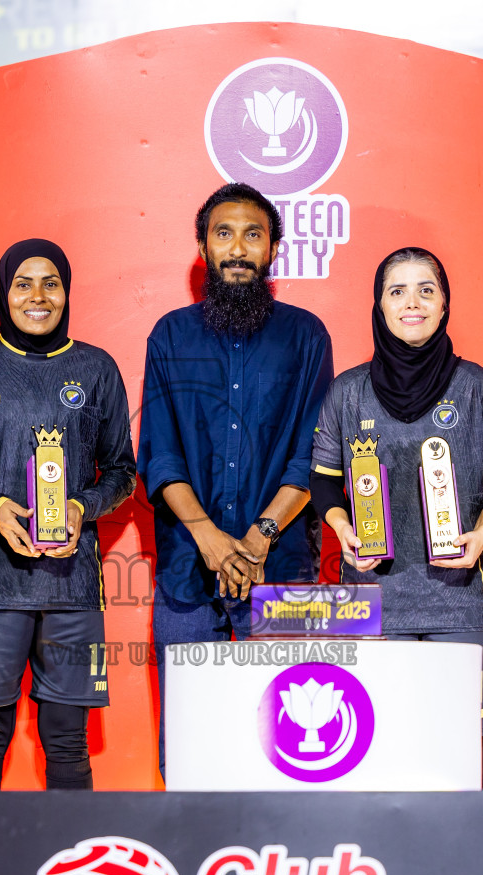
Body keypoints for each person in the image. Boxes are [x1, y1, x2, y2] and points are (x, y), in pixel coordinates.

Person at [137, 182, 333, 776]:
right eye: (224, 234)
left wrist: (258, 537)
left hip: (282, 568)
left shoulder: (306, 336)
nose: (239, 249)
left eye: (253, 235)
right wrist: (211, 539)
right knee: (188, 746)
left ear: (273, 249)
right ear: (203, 248)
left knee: (290, 746)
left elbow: (313, 453)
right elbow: (161, 454)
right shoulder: (170, 336)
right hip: (186, 570)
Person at [308, 248, 483, 790]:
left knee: (469, 767)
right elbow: (324, 479)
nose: (412, 303)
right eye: (397, 291)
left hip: (458, 598)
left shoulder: (477, 386)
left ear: (445, 303)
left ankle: (477, 850)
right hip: (373, 601)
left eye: (426, 290)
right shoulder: (347, 392)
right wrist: (342, 528)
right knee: (381, 765)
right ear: (379, 305)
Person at [0, 239, 135, 790]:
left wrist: (81, 506)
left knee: (68, 742)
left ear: (67, 292)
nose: (38, 297)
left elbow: (123, 471)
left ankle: (76, 849)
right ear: (5, 292)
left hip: (71, 584)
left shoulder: (95, 368)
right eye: (23, 284)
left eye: (51, 283)